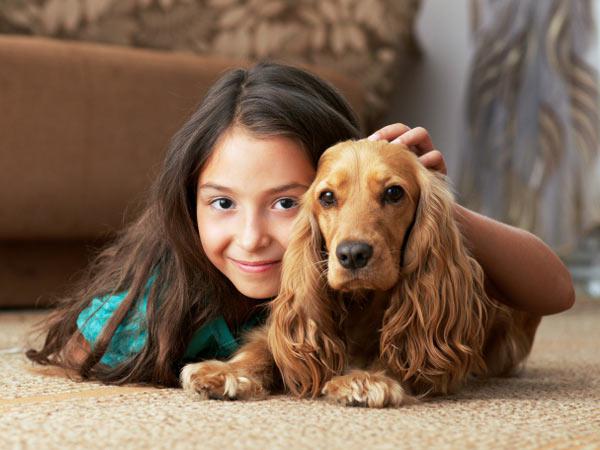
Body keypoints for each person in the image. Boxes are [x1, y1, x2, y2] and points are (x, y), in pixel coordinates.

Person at [25, 61, 575, 388]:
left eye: (287, 203)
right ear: (188, 202)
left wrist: (426, 197)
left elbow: (555, 290)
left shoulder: (396, 240)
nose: (251, 236)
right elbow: (82, 348)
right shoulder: (175, 288)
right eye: (222, 203)